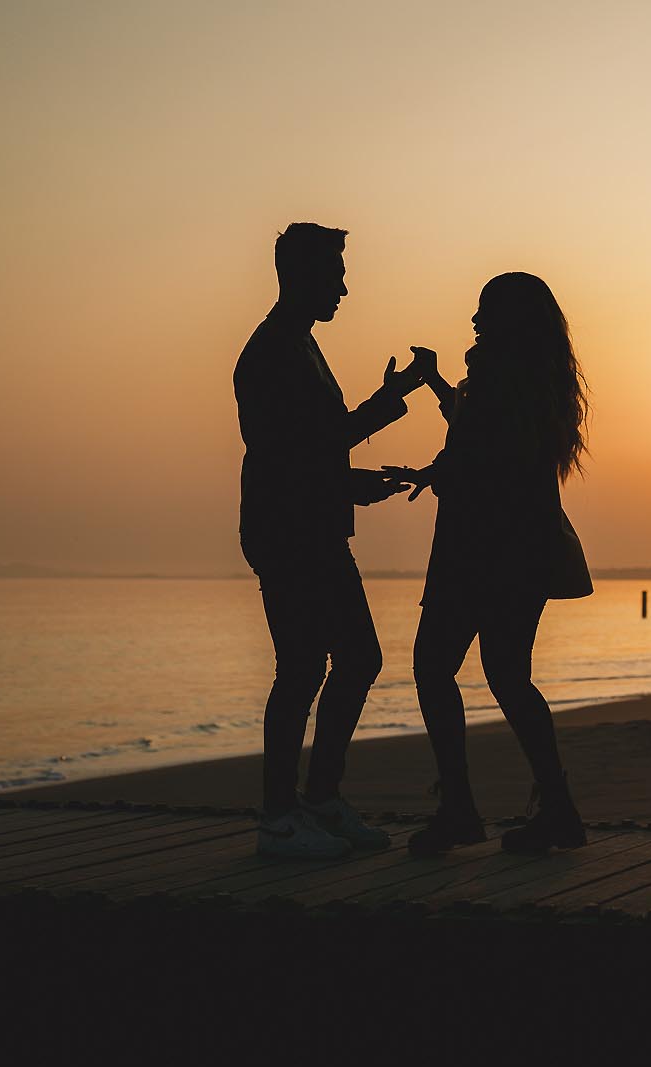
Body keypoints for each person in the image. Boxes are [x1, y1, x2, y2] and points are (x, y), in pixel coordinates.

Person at [234, 222, 429, 859]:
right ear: (300, 276)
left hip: (312, 526)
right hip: (288, 533)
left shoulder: (301, 346)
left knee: (356, 659)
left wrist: (349, 481)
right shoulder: (270, 352)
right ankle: (279, 818)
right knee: (301, 671)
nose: (344, 287)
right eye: (335, 274)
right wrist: (384, 411)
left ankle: (317, 800)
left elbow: (312, 448)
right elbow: (291, 454)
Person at [384, 272, 593, 855]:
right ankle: (556, 809)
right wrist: (434, 385)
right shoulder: (530, 378)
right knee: (507, 676)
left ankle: (460, 810)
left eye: (484, 311)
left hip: (483, 549)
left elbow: (488, 456)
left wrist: (432, 474)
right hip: (523, 550)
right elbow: (481, 430)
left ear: (510, 319)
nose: (473, 321)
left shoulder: (503, 379)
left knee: (433, 668)